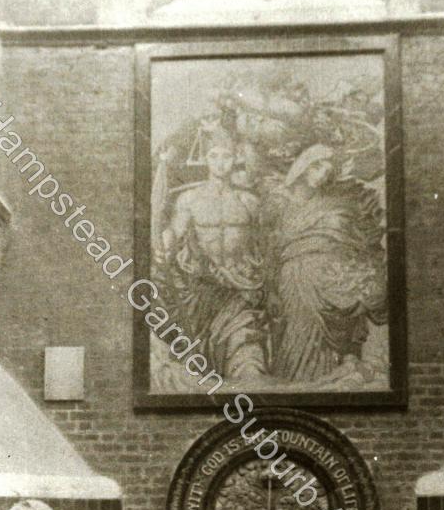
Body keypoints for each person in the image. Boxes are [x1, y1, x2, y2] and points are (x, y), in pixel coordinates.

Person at [153, 126, 267, 382]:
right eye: (214, 156)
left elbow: (264, 247)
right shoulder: (189, 199)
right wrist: (164, 245)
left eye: (226, 156)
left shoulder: (249, 201)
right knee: (202, 360)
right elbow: (174, 234)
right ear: (205, 159)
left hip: (241, 291)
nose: (220, 163)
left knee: (246, 351)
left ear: (235, 158)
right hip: (202, 292)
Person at [269, 143, 387, 383]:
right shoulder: (277, 200)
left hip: (327, 282)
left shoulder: (336, 205)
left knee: (326, 345)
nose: (322, 174)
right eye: (317, 167)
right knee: (297, 334)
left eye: (327, 171)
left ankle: (327, 379)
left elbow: (354, 243)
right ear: (303, 166)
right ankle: (297, 383)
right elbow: (268, 248)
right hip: (293, 279)